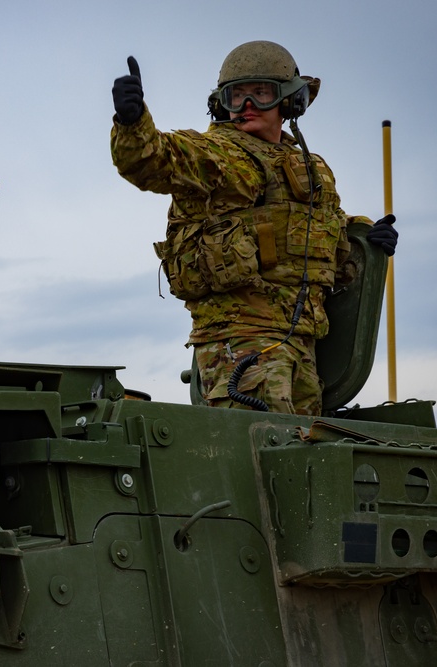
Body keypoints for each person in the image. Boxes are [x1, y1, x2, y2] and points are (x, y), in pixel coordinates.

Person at [110, 41, 398, 416]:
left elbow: (323, 240)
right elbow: (156, 161)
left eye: (261, 94)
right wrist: (133, 124)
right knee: (263, 458)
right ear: (221, 103)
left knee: (305, 460)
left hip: (303, 346)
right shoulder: (220, 156)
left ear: (290, 102)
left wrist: (364, 235)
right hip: (241, 347)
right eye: (236, 96)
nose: (247, 106)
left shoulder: (309, 169)